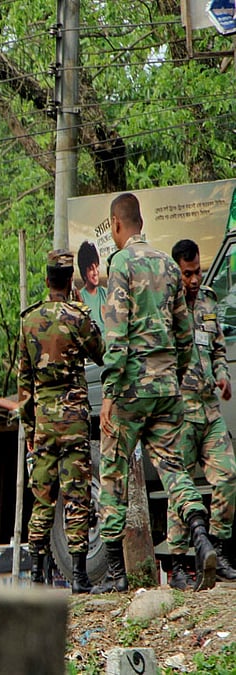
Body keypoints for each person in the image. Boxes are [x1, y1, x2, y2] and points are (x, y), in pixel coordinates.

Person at [93, 194, 217, 594]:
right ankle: (200, 537)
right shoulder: (167, 264)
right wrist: (175, 375)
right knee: (175, 470)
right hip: (166, 388)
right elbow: (185, 334)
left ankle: (114, 575)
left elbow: (116, 333)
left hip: (130, 390)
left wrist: (110, 393)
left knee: (112, 469)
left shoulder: (120, 266)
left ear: (115, 225)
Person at [18, 249, 105, 593]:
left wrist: (29, 428)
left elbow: (24, 383)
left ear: (46, 280)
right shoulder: (78, 317)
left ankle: (37, 576)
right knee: (77, 495)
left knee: (42, 497)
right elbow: (100, 351)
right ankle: (80, 576)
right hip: (74, 421)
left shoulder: (29, 321)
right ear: (70, 281)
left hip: (43, 423)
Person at [165, 239, 236, 588]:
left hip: (209, 408)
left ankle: (218, 551)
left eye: (197, 272)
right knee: (181, 488)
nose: (193, 279)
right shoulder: (166, 304)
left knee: (228, 475)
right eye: (187, 273)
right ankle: (179, 564)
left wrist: (222, 374)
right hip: (179, 411)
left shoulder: (208, 300)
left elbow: (219, 348)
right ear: (177, 270)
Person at [77, 241, 107, 334]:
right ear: (84, 273)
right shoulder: (80, 298)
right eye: (91, 269)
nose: (95, 272)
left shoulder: (106, 293)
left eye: (96, 267)